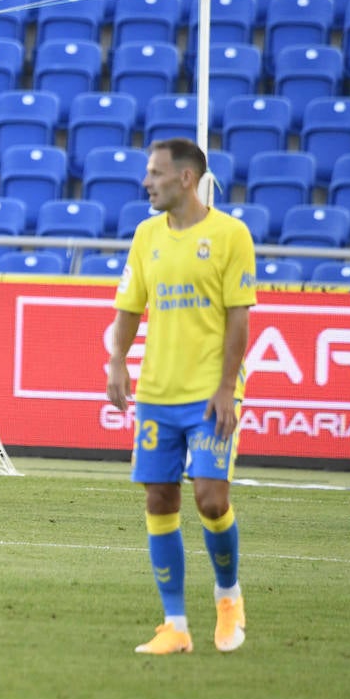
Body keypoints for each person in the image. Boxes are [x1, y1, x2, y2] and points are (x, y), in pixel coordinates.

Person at [106, 137, 256, 655]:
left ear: (185, 178)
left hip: (210, 394)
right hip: (158, 394)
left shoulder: (231, 234)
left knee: (212, 498)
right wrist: (117, 362)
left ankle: (228, 596)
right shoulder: (147, 235)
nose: (146, 181)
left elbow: (240, 317)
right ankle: (175, 625)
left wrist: (225, 389)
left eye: (155, 173)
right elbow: (130, 306)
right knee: (159, 498)